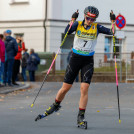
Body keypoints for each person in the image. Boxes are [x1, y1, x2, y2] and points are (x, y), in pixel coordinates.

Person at [35, 6, 115, 129]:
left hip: (88, 60)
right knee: (65, 88)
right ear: (84, 16)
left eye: (92, 19)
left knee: (84, 88)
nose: (90, 21)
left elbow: (112, 32)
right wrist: (72, 19)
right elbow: (67, 31)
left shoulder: (97, 27)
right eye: (88, 18)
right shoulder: (77, 24)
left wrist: (113, 21)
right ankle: (56, 105)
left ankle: (81, 116)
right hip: (75, 59)